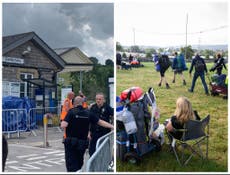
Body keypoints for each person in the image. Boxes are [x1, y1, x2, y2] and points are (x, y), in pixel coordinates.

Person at [61, 96, 114, 172]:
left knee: (71, 164)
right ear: (82, 103)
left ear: (74, 103)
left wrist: (64, 119)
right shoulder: (88, 113)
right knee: (79, 163)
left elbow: (64, 125)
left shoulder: (71, 112)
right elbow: (100, 122)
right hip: (82, 143)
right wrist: (112, 126)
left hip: (71, 143)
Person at [88, 93, 114, 157]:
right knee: (92, 151)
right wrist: (88, 132)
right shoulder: (92, 107)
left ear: (103, 100)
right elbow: (89, 120)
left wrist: (112, 125)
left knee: (104, 151)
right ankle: (93, 165)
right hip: (94, 133)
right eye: (96, 99)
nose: (98, 101)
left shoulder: (107, 107)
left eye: (100, 99)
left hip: (104, 132)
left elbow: (114, 115)